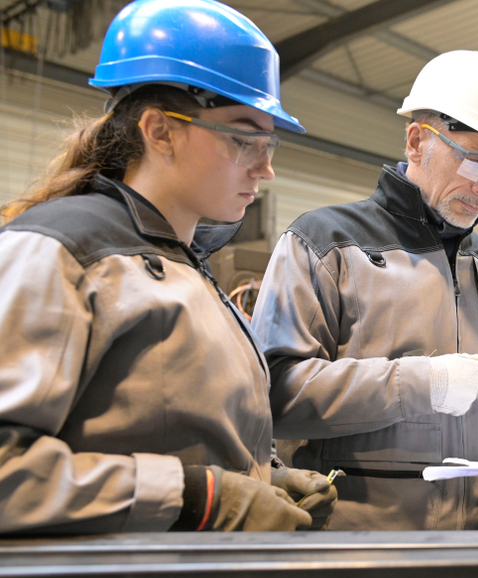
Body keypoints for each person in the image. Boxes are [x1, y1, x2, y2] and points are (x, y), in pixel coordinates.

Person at [0, 0, 337, 534]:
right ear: (159, 131)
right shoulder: (63, 253)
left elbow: (155, 430)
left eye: (267, 142)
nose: (266, 167)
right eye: (242, 137)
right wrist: (199, 498)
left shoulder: (185, 265)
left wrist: (258, 479)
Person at [251, 50, 478, 530]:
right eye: (474, 162)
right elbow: (274, 395)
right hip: (352, 551)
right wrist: (416, 383)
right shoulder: (324, 245)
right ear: (418, 142)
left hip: (476, 546)